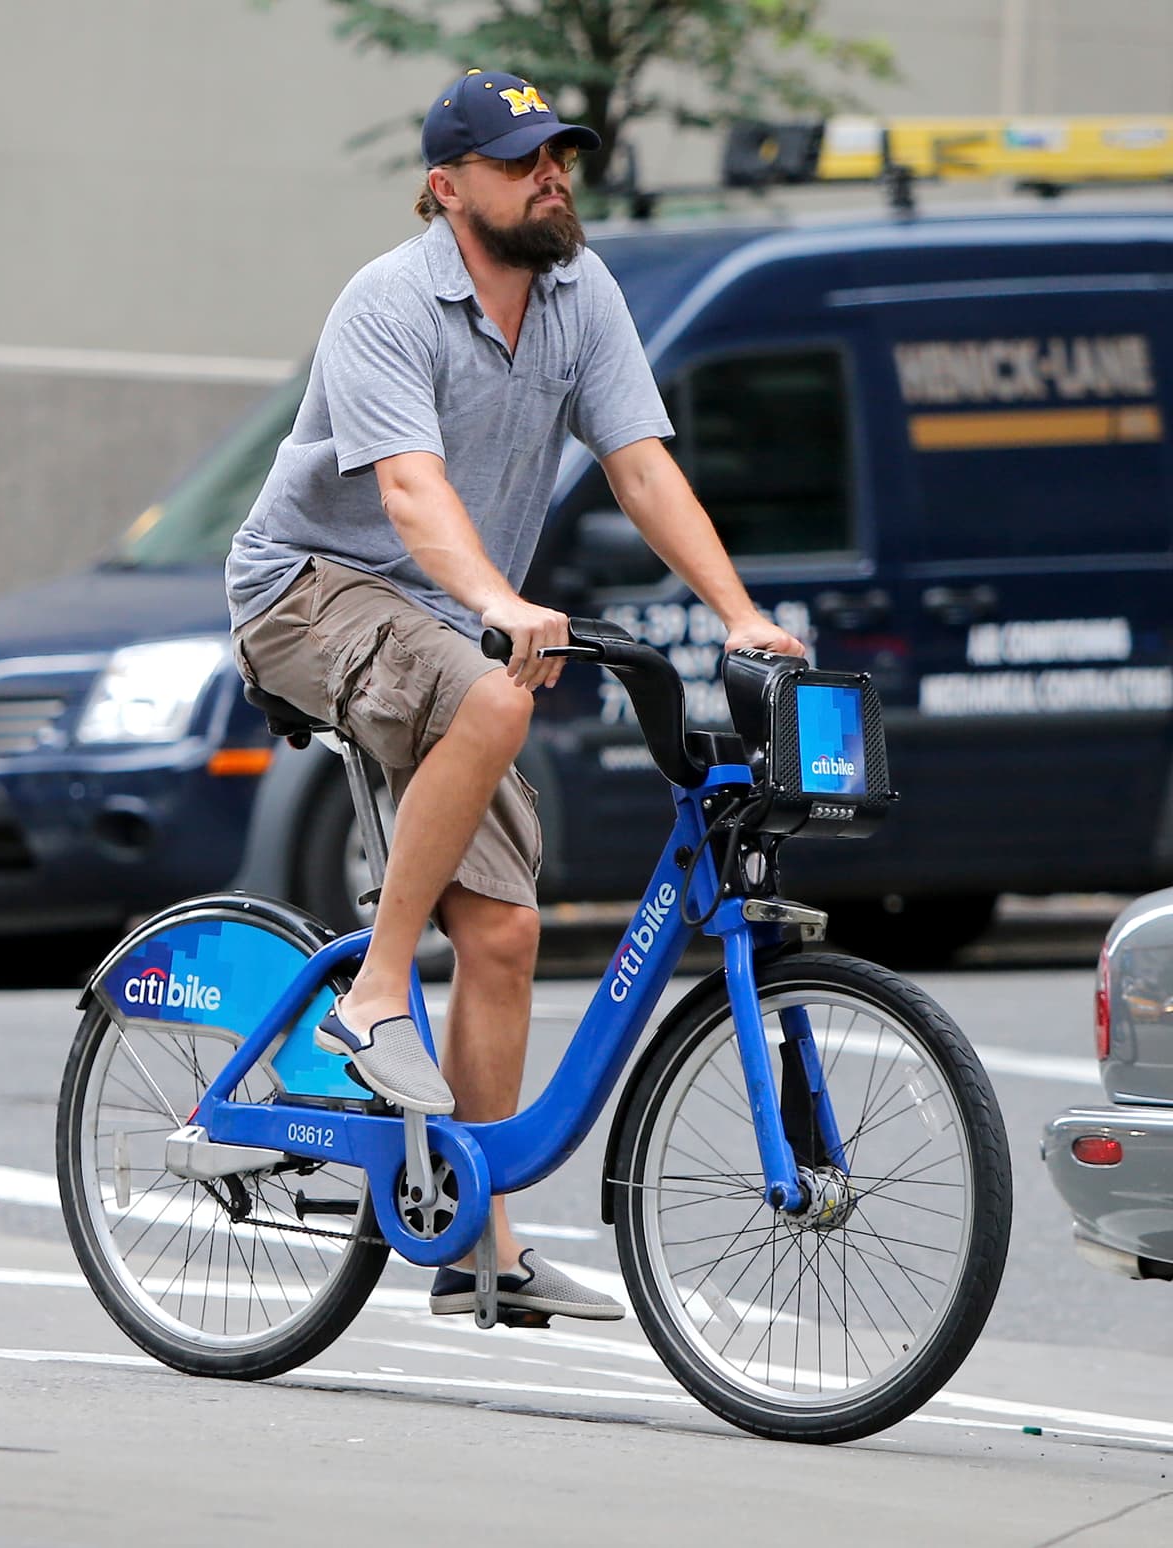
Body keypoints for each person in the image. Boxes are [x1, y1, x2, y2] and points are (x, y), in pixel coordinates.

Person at [226, 68, 804, 1322]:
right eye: (518, 161)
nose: (550, 176)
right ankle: (375, 994)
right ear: (447, 188)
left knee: (503, 933)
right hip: (308, 591)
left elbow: (639, 467)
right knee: (497, 694)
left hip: (444, 616)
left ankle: (474, 1242)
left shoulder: (578, 292)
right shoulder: (387, 301)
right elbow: (408, 491)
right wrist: (498, 603)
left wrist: (739, 615)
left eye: (558, 156)